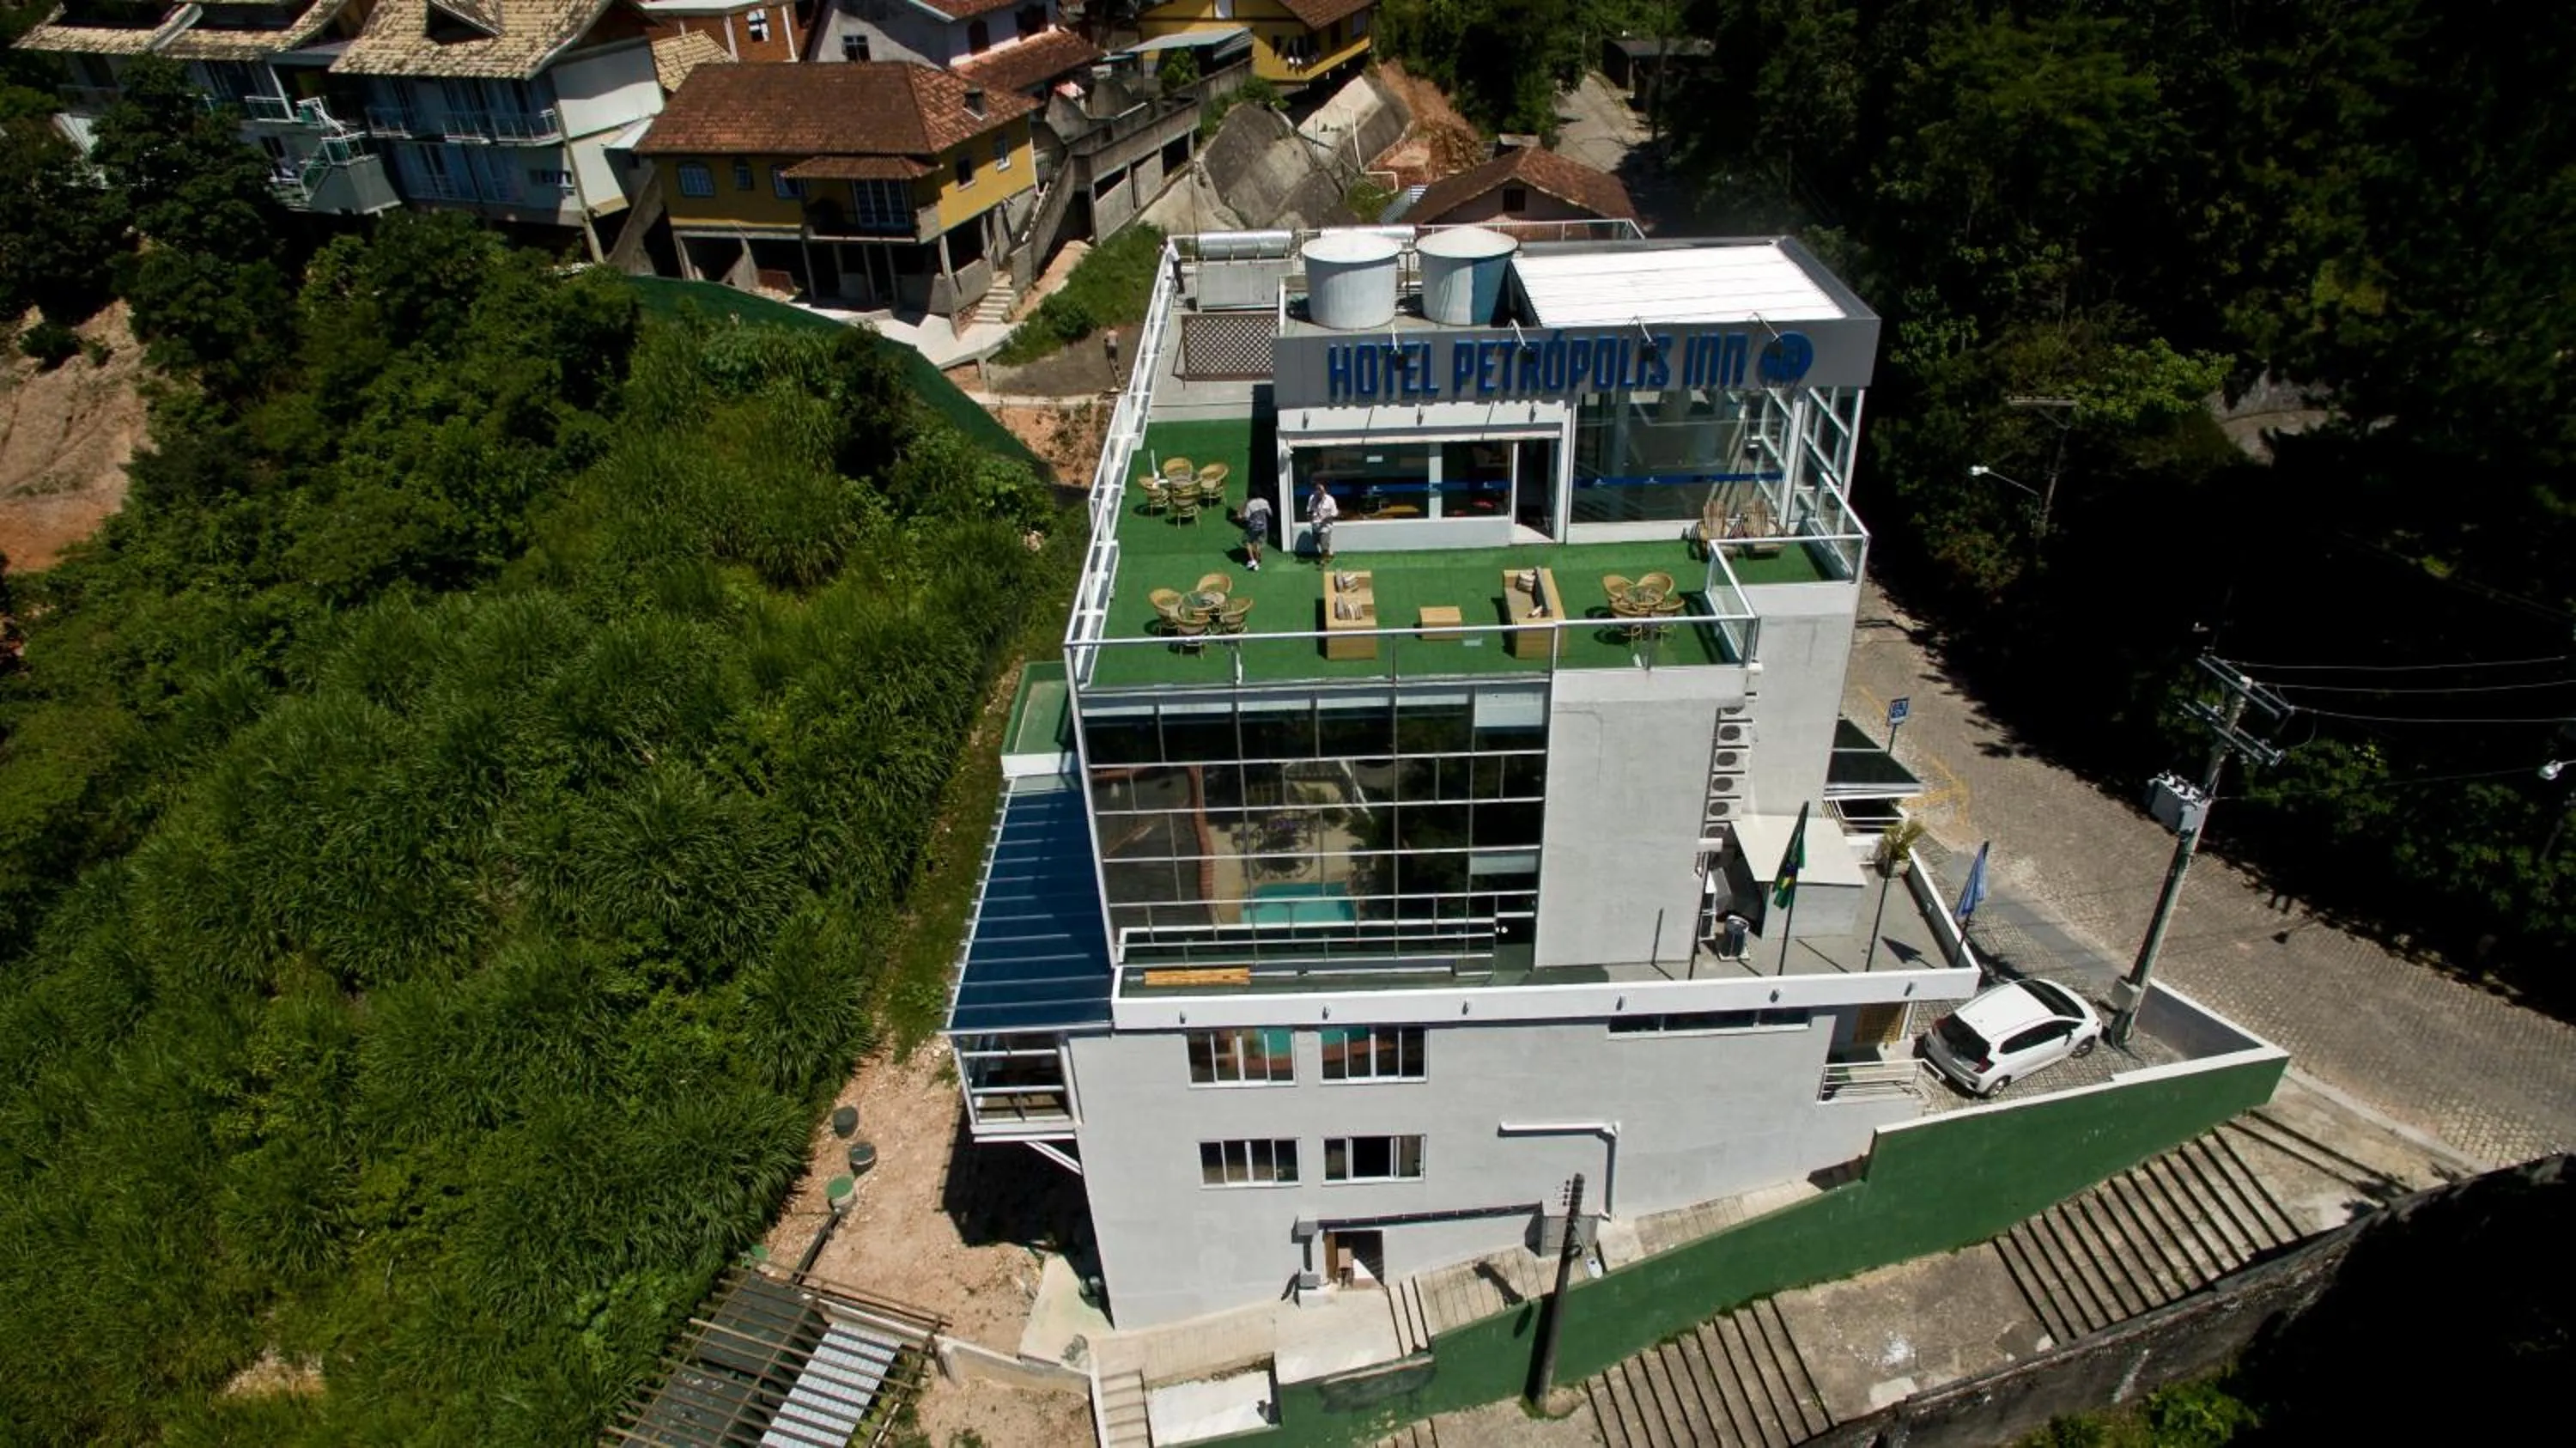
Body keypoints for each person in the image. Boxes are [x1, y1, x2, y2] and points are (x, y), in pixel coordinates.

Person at [1307, 481, 1340, 566]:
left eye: (1321, 490)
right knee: (1316, 542)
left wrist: (1326, 518)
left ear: (1325, 491)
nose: (1319, 492)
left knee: (1323, 545)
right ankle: (1329, 554)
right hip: (1315, 525)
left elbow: (1335, 513)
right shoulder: (1312, 498)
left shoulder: (1330, 500)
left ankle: (1323, 561)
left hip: (1326, 526)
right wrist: (1310, 516)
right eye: (1317, 490)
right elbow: (1309, 510)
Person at [1241, 490, 1273, 571]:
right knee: (1258, 542)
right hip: (1263, 527)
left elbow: (1246, 517)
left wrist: (1241, 517)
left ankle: (1253, 561)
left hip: (1253, 527)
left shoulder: (1250, 504)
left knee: (1247, 541)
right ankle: (1258, 558)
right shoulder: (1264, 502)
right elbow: (1270, 513)